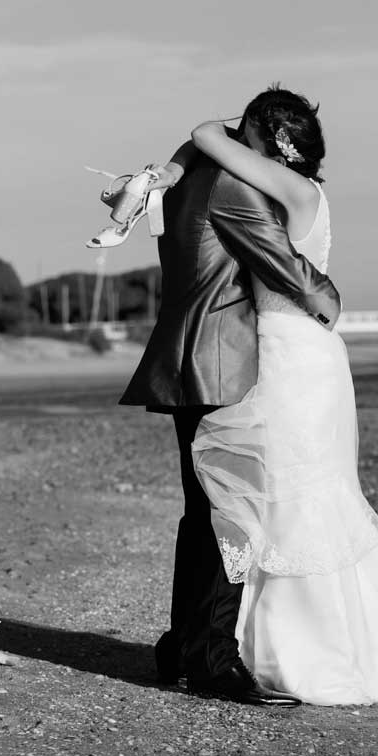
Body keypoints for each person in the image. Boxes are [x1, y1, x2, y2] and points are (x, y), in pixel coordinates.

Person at [149, 86, 378, 706]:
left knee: (265, 503)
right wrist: (177, 164)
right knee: (247, 504)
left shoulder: (291, 191)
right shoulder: (272, 187)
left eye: (246, 134)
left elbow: (206, 135)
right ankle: (208, 648)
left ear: (271, 143)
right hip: (270, 353)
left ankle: (221, 649)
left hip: (289, 357)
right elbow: (208, 140)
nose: (236, 144)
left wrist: (325, 296)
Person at [119, 90, 342, 708]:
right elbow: (283, 266)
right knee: (231, 515)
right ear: (266, 141)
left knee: (202, 513)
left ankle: (182, 647)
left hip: (192, 359)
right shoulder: (233, 187)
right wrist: (329, 303)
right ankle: (214, 661)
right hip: (221, 365)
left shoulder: (193, 176)